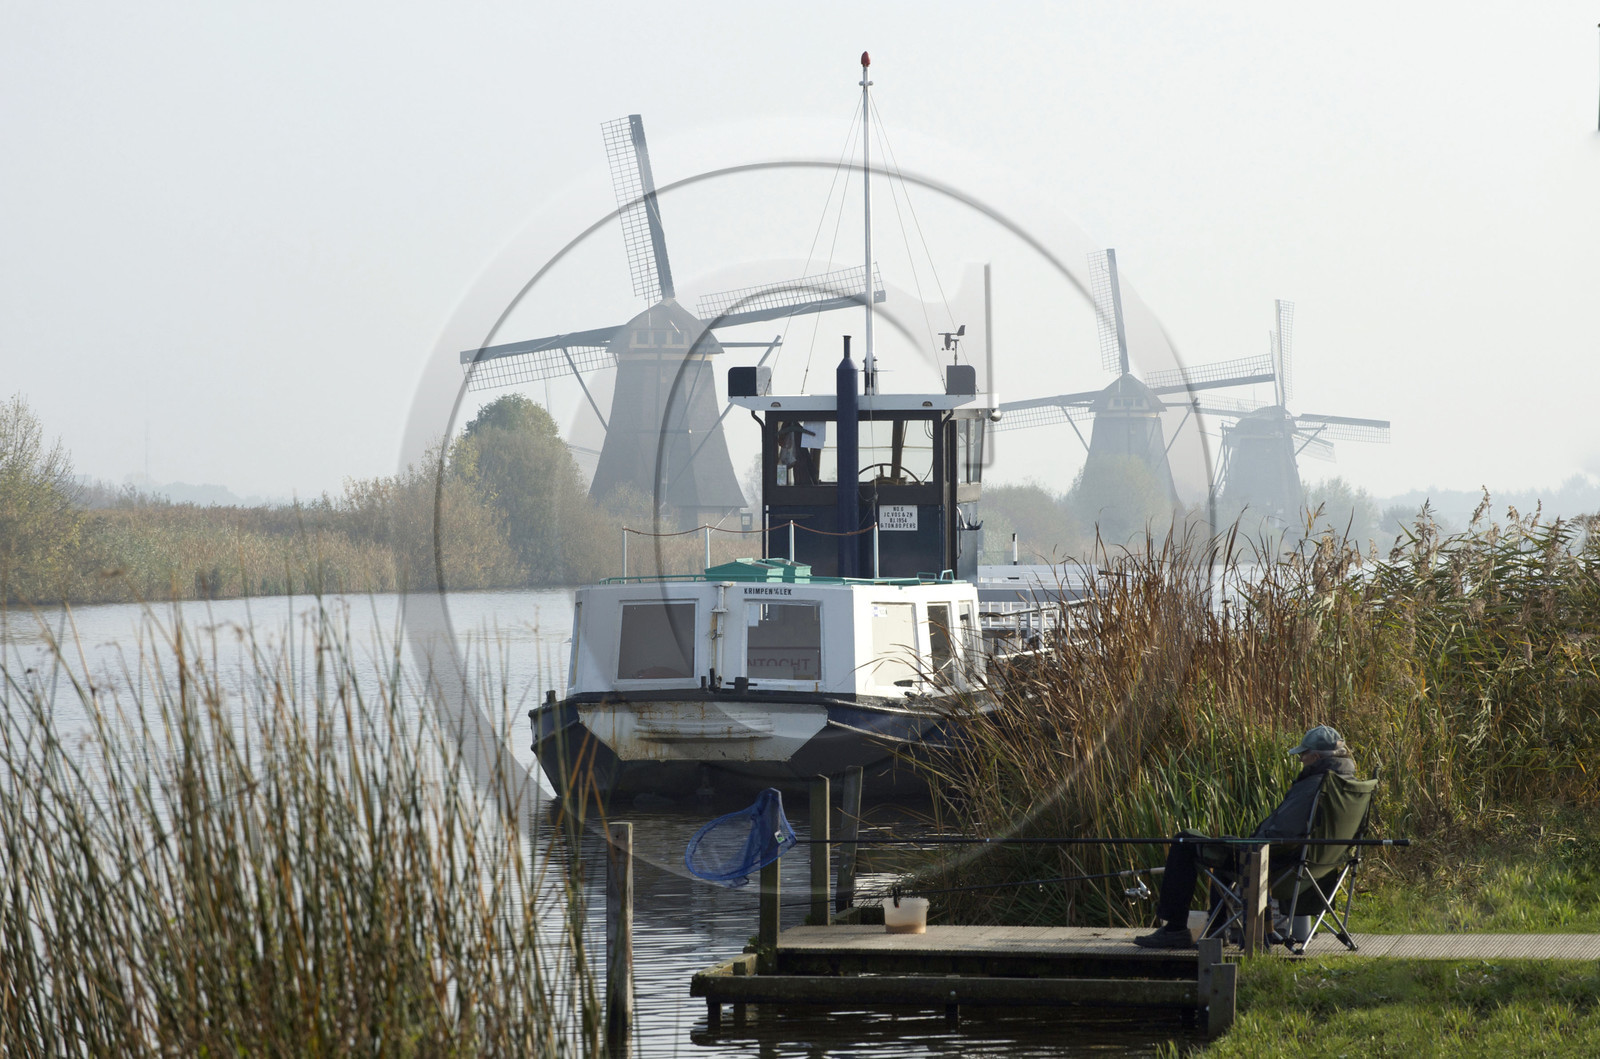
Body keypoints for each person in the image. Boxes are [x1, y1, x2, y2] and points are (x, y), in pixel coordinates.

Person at [1132, 724, 1358, 949]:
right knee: (1226, 845)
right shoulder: (1349, 786)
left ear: (1315, 756)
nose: (1301, 761)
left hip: (1277, 863)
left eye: (1303, 756)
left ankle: (1175, 930)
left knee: (1185, 840)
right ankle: (1217, 929)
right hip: (1318, 866)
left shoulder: (1315, 785)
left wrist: (1253, 839)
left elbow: (1280, 831)